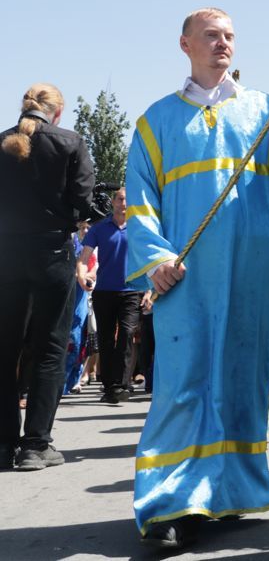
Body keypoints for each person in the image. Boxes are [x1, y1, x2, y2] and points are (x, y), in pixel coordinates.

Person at [124, 7, 269, 548]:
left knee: (242, 381)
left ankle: (229, 494)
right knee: (183, 385)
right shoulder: (156, 120)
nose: (223, 43)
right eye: (211, 35)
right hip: (185, 275)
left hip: (253, 271)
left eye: (229, 36)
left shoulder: (263, 110)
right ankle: (167, 505)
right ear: (185, 44)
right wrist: (156, 258)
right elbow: (140, 200)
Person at [1, 83, 103, 471]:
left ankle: (2, 443)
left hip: (6, 253)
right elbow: (83, 201)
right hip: (51, 253)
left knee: (4, 350)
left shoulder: (2, 142)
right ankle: (35, 445)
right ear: (56, 112)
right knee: (48, 349)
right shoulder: (69, 142)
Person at [78, 187, 142, 405]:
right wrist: (81, 273)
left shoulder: (139, 227)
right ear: (113, 202)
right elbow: (85, 256)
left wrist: (151, 289)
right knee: (105, 338)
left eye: (127, 199)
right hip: (104, 291)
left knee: (126, 333)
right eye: (121, 199)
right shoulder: (99, 228)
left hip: (131, 290)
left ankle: (122, 384)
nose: (124, 203)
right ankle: (109, 385)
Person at [63, 224, 96, 395]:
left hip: (82, 299)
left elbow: (94, 271)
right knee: (66, 341)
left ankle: (73, 380)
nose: (86, 231)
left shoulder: (91, 248)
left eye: (89, 227)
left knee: (79, 341)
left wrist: (82, 275)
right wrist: (78, 275)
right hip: (67, 295)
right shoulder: (71, 241)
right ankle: (61, 384)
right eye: (83, 227)